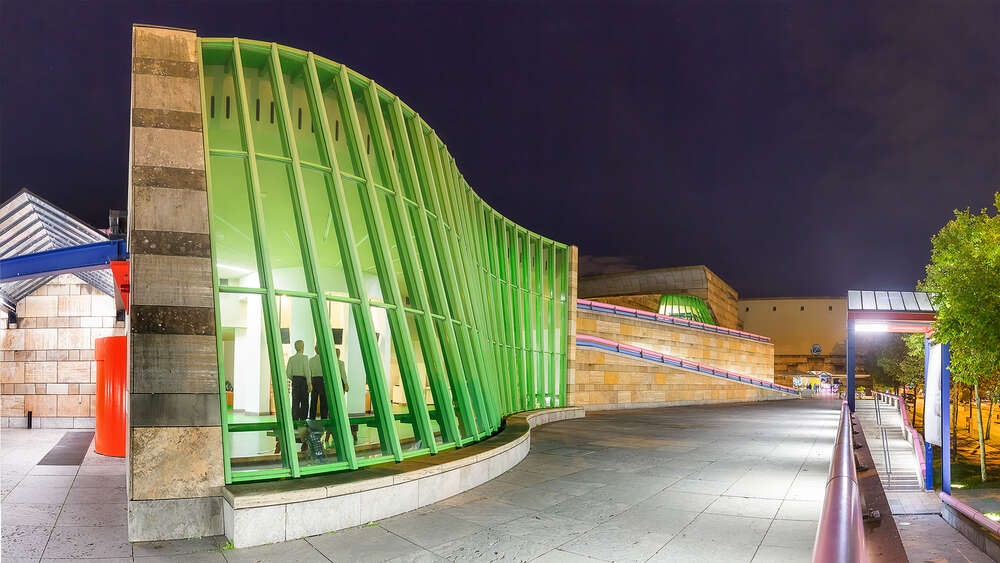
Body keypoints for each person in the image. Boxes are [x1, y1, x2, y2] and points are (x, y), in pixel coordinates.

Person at [286, 340, 310, 421]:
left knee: (295, 401)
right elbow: (307, 371)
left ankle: (295, 420)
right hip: (303, 381)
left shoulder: (291, 359)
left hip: (295, 381)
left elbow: (288, 373)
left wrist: (294, 379)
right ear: (302, 348)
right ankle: (303, 420)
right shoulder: (305, 358)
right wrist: (309, 383)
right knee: (304, 402)